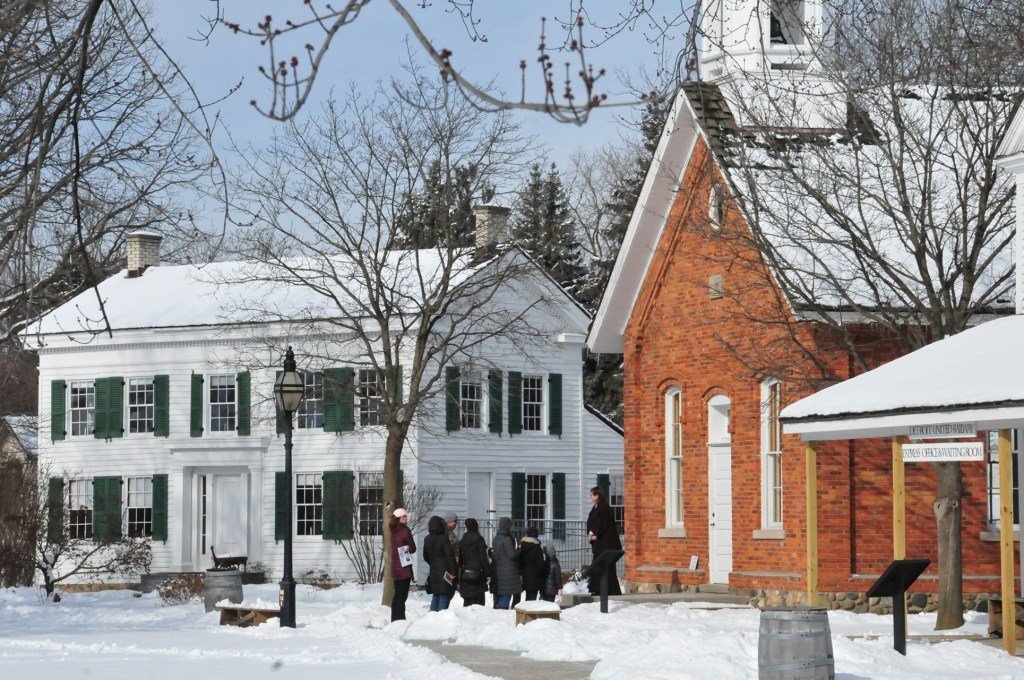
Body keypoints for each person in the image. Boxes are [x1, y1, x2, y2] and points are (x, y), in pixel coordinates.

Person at [587, 485, 623, 596]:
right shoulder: (596, 507)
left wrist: (595, 533)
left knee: (605, 566)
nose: (590, 497)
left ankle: (608, 589)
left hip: (606, 543)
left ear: (597, 495)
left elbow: (602, 523)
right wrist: (590, 532)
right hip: (599, 543)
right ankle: (598, 588)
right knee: (597, 565)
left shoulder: (605, 508)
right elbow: (591, 521)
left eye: (591, 495)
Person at [423, 515, 457, 611]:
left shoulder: (427, 539)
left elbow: (425, 556)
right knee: (444, 595)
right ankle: (441, 617)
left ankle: (432, 616)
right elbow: (450, 557)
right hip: (445, 571)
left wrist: (433, 563)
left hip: (433, 571)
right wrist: (454, 573)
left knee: (436, 595)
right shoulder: (444, 538)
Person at [389, 508, 416, 622]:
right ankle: (400, 620)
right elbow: (413, 548)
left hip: (395, 567)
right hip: (404, 568)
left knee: (397, 595)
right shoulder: (405, 530)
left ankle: (394, 619)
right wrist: (408, 548)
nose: (407, 517)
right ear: (400, 517)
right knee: (402, 596)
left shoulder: (393, 530)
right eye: (405, 516)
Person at [490, 516, 522, 609]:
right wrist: (519, 549)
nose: (512, 528)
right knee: (507, 592)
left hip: (499, 568)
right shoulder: (507, 539)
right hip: (509, 570)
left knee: (503, 591)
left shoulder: (496, 538)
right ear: (506, 526)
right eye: (511, 526)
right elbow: (512, 555)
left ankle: (499, 607)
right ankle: (502, 608)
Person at [457, 517, 490, 607]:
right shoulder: (479, 539)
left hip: (465, 575)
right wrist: (488, 572)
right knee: (478, 604)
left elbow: (459, 558)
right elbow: (483, 558)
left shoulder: (462, 541)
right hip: (478, 575)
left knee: (467, 602)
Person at [517, 526, 547, 601]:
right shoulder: (537, 547)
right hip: (535, 576)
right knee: (532, 598)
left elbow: (519, 560)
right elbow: (540, 565)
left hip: (525, 575)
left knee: (528, 596)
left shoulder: (522, 546)